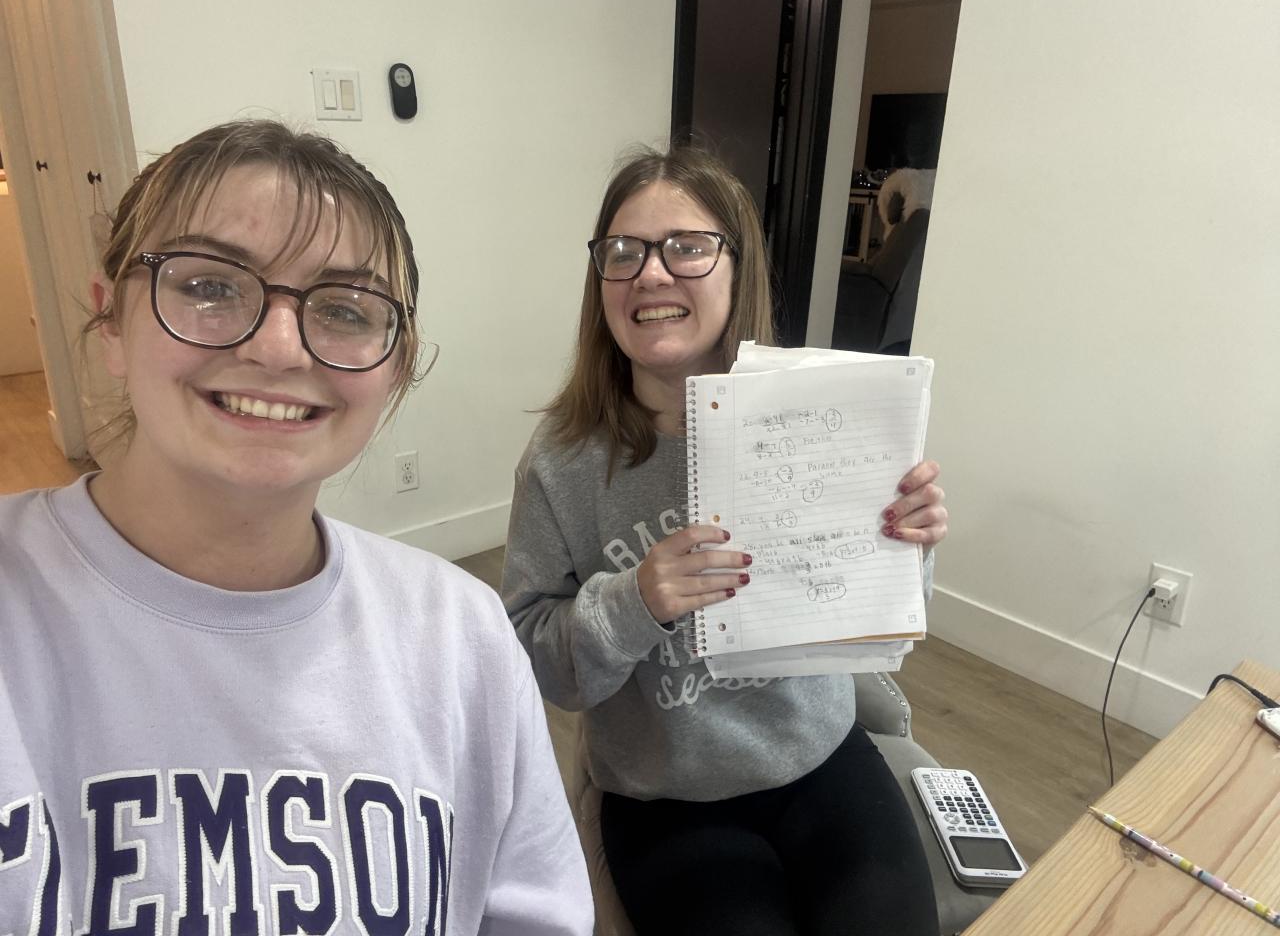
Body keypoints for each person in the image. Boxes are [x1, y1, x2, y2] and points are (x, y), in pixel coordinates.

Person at [0, 120, 591, 935]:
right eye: (210, 286)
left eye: (344, 308)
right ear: (111, 324)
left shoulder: (462, 635)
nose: (280, 348)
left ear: (397, 365)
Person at [502, 145, 947, 936]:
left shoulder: (821, 418)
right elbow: (537, 657)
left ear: (737, 269)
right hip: (666, 797)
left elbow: (887, 617)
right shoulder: (561, 462)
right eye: (623, 252)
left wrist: (907, 545)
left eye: (687, 246)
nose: (650, 273)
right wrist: (635, 602)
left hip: (820, 757)